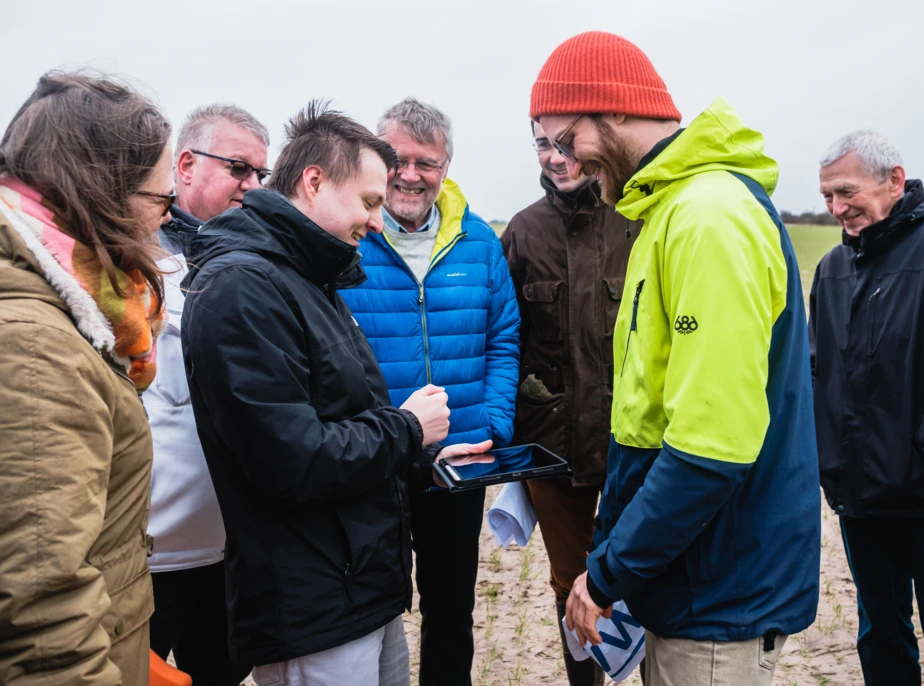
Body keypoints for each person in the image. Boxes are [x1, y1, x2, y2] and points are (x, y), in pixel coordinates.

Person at [531, 32, 821, 685]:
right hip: (689, 579)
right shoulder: (668, 212)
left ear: (608, 110)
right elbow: (651, 414)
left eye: (564, 139)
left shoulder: (708, 218)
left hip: (719, 595)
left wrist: (607, 574)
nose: (562, 161)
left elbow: (709, 447)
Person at [179, 99, 490, 686]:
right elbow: (292, 461)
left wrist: (420, 453)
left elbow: (341, 415)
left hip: (355, 589)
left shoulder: (307, 277)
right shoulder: (243, 288)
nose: (377, 222)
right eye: (370, 202)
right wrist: (407, 429)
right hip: (312, 606)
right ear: (314, 181)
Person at [339, 97, 520, 686]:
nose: (411, 175)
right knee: (372, 606)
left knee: (450, 608)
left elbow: (504, 338)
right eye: (398, 159)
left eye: (428, 162)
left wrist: (490, 423)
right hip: (374, 458)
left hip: (458, 460)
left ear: (447, 166)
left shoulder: (478, 242)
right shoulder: (346, 239)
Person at [0, 71, 172, 684]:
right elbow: (44, 620)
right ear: (102, 192)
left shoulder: (65, 312)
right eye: (161, 200)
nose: (163, 223)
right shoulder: (35, 351)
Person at [810, 130, 924, 686]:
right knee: (881, 637)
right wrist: (832, 459)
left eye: (845, 191)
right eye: (827, 196)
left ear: (894, 180)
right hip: (861, 498)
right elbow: (818, 371)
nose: (836, 207)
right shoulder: (831, 270)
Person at [500, 120, 639, 686]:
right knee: (572, 585)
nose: (555, 158)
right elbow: (505, 341)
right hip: (552, 450)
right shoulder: (522, 232)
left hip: (634, 444)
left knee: (640, 575)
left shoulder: (637, 222)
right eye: (542, 145)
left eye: (565, 145)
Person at [143, 103, 269, 685]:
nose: (251, 185)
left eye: (260, 175)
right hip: (148, 554)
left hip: (229, 546)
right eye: (239, 168)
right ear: (185, 164)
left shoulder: (263, 263)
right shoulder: (134, 261)